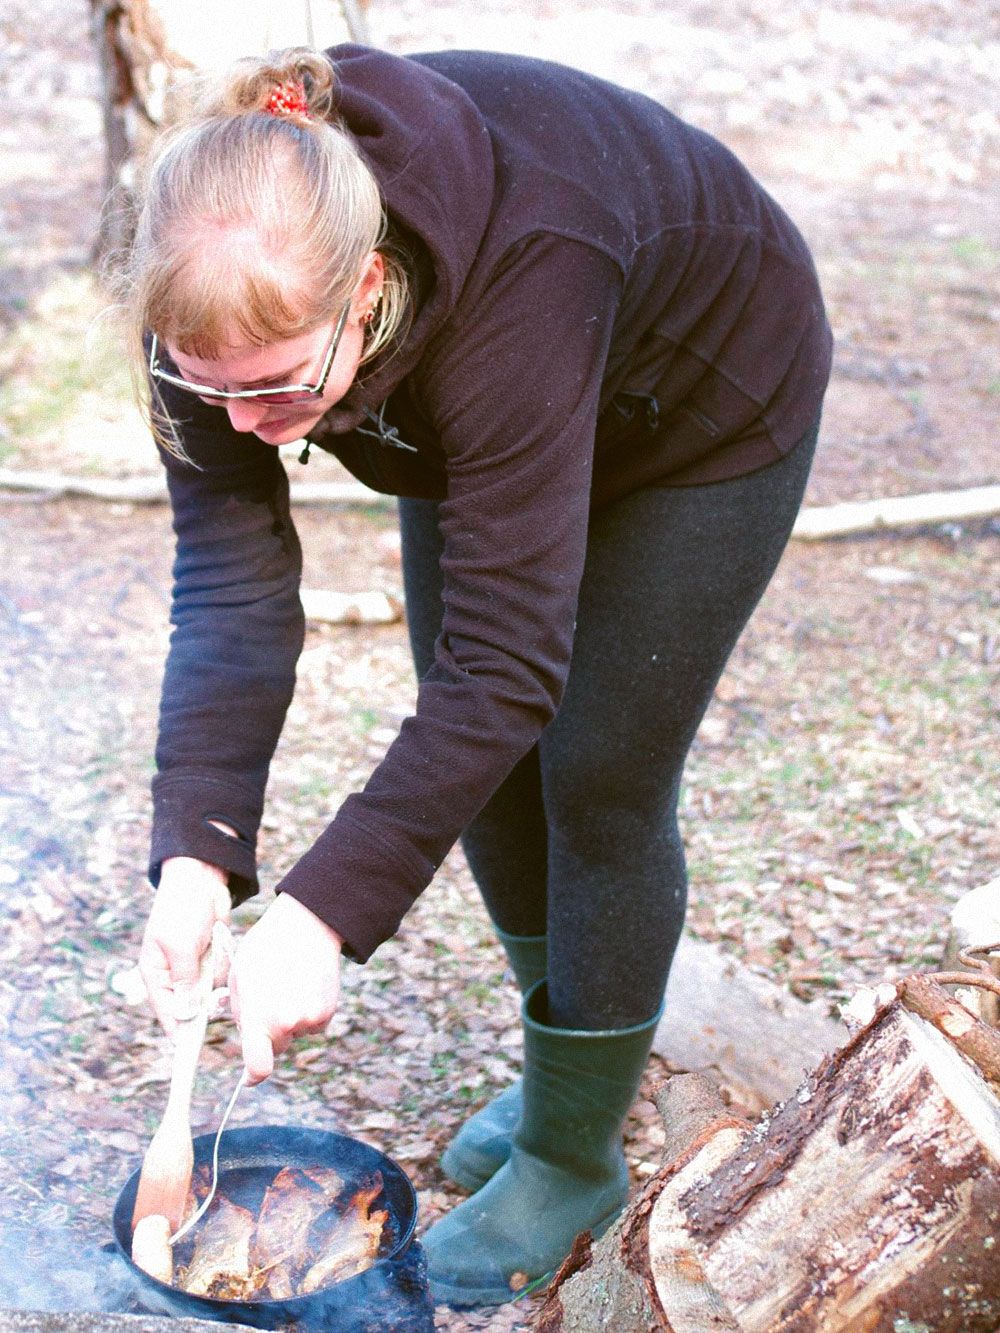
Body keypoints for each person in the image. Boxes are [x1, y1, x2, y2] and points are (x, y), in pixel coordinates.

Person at [129, 43, 832, 1306]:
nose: (242, 425)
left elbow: (509, 664)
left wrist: (319, 912)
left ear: (370, 290)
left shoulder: (522, 269)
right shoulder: (208, 315)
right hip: (493, 421)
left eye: (279, 389)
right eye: (211, 392)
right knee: (484, 758)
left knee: (598, 765)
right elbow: (232, 594)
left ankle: (572, 1155)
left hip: (702, 401)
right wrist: (197, 849)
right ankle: (571, 1069)